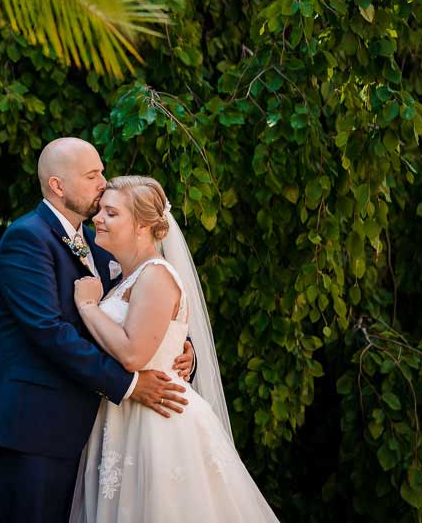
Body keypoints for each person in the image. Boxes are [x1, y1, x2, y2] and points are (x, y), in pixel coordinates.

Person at [0, 139, 195, 523]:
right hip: (36, 428)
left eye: (102, 171)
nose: (103, 182)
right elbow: (49, 332)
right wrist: (129, 384)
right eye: (92, 175)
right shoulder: (27, 239)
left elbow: (140, 302)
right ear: (58, 186)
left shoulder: (98, 243)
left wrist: (178, 346)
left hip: (90, 428)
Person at [69, 175, 279, 522]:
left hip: (157, 420)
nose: (98, 219)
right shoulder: (126, 277)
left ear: (142, 226)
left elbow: (133, 354)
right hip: (123, 415)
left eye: (111, 213)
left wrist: (88, 307)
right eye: (101, 211)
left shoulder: (155, 275)